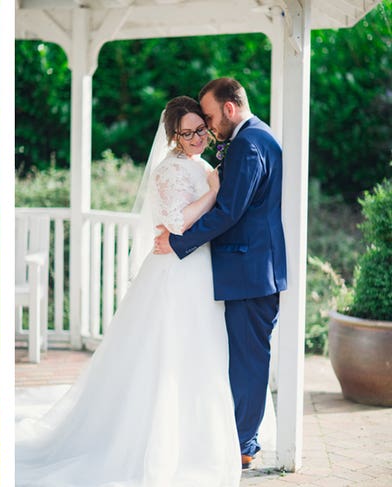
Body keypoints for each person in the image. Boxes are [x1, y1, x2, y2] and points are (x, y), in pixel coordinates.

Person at [15, 96, 241, 486]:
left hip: (200, 271)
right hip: (174, 272)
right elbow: (176, 223)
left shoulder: (201, 165)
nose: (197, 138)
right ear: (173, 135)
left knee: (198, 352)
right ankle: (152, 445)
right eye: (187, 133)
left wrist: (212, 183)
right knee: (163, 353)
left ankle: (196, 443)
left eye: (200, 130)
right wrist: (213, 193)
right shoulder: (169, 170)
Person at [154, 77, 287, 468]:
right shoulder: (255, 138)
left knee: (247, 360)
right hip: (249, 269)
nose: (209, 129)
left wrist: (177, 244)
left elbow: (230, 211)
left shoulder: (248, 144)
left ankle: (243, 445)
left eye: (209, 118)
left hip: (250, 272)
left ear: (229, 108)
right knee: (242, 357)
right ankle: (237, 437)